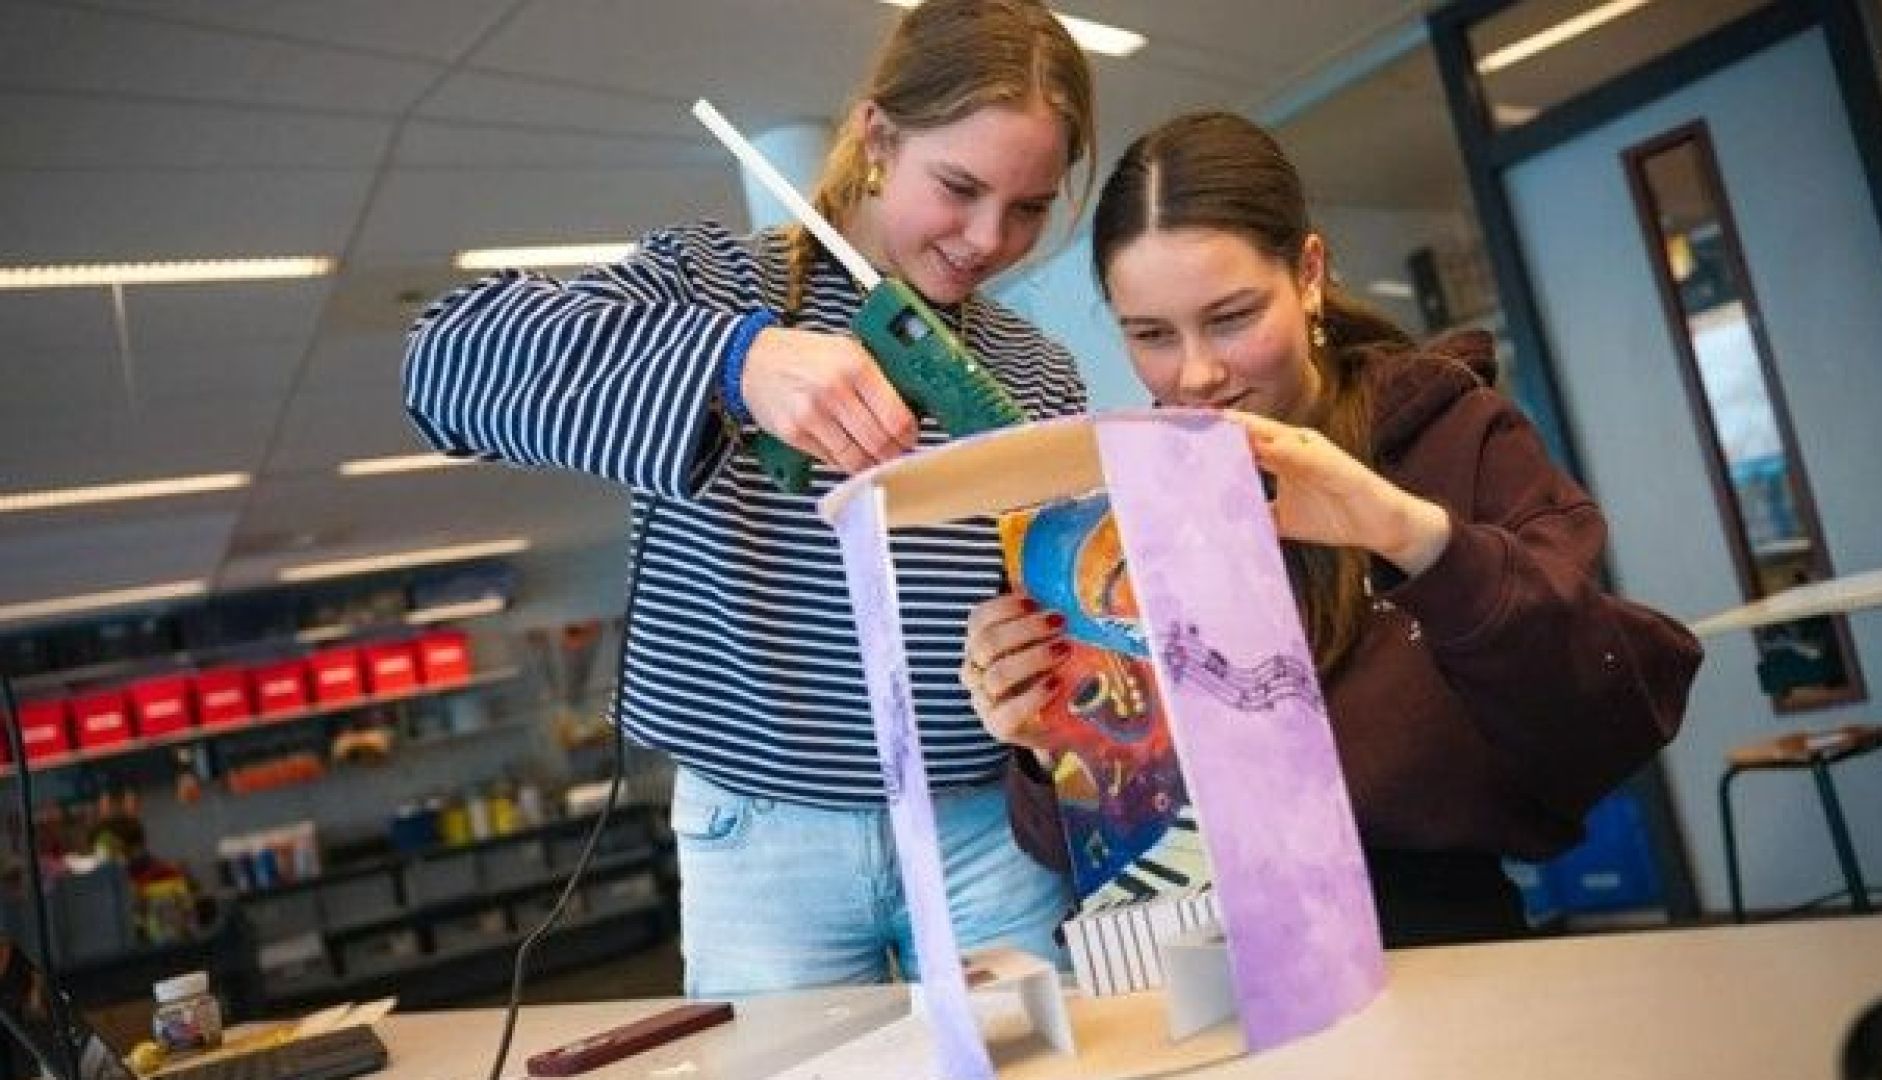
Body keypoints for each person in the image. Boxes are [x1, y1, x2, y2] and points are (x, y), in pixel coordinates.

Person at [403, 0, 1093, 995]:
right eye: (959, 187)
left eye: (1029, 207)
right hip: (762, 838)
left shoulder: (1036, 369)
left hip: (989, 827)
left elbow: (1075, 619)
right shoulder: (712, 281)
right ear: (877, 137)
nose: (989, 238)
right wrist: (737, 361)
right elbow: (444, 364)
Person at [961, 111, 1704, 946]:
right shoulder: (1114, 513)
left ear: (1308, 273)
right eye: (1152, 335)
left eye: (1232, 317)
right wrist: (1051, 740)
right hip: (1209, 960)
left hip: (1437, 948)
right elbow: (1076, 847)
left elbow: (1598, 713)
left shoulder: (1455, 439)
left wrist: (1415, 538)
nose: (1197, 373)